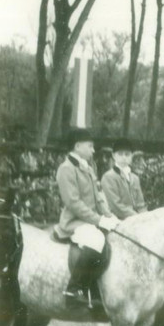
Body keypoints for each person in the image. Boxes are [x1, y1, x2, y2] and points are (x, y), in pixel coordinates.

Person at [55, 128, 120, 309]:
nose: (93, 150)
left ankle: (95, 289)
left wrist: (110, 216)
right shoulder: (66, 169)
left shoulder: (89, 168)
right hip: (74, 222)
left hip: (90, 220)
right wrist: (98, 220)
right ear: (77, 146)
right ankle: (73, 289)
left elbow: (99, 198)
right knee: (96, 239)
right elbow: (73, 202)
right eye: (90, 146)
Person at [100, 138, 148, 219]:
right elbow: (115, 206)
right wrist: (136, 216)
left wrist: (146, 216)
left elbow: (140, 204)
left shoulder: (135, 178)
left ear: (132, 156)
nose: (124, 157)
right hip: (117, 218)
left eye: (127, 154)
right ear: (113, 155)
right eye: (120, 154)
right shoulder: (108, 177)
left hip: (136, 218)